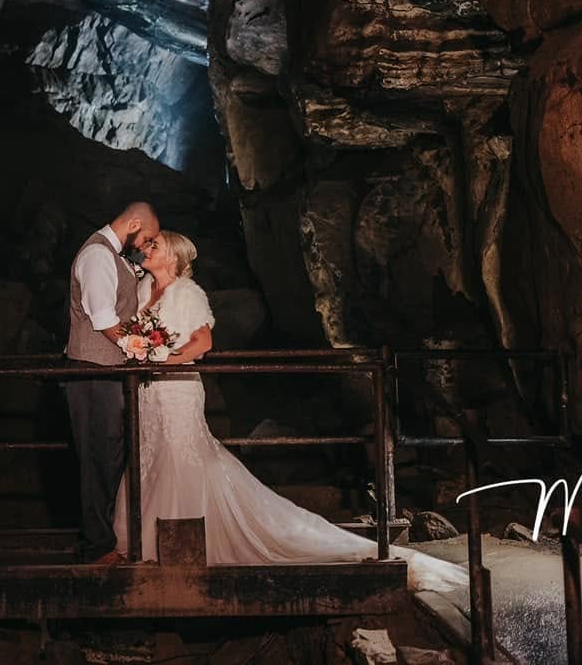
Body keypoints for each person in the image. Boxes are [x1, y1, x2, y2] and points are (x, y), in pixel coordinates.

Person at [112, 231, 467, 596]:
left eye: (154, 246)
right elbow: (131, 330)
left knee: (180, 455)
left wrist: (167, 360)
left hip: (176, 388)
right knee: (149, 451)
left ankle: (180, 538)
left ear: (173, 256)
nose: (146, 249)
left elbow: (203, 342)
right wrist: (137, 349)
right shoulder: (142, 290)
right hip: (148, 391)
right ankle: (143, 537)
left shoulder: (187, 293)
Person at [64, 200, 159, 564]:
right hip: (91, 371)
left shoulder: (115, 258)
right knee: (97, 458)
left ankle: (103, 540)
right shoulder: (97, 256)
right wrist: (136, 348)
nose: (145, 245)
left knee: (109, 456)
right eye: (147, 236)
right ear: (134, 222)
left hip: (105, 372)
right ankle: (97, 547)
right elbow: (103, 319)